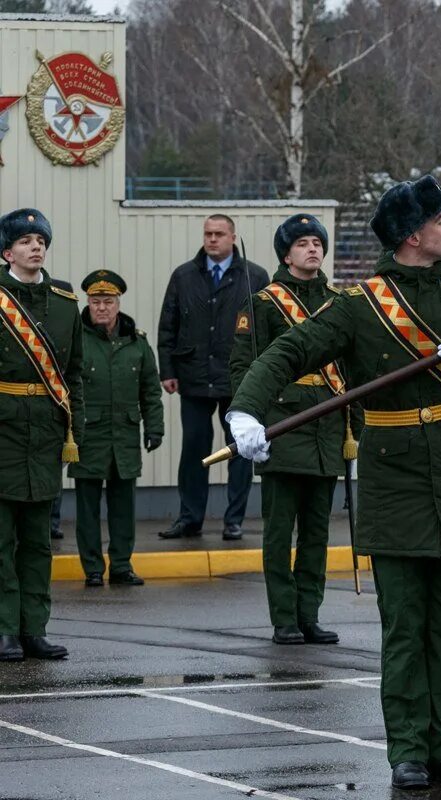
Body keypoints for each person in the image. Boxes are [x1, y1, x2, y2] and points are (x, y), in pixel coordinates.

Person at [225, 175, 441, 789]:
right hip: (394, 476)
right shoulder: (360, 305)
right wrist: (246, 410)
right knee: (404, 628)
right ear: (414, 235)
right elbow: (286, 353)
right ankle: (407, 749)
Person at [229, 214, 352, 645]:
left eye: (318, 242)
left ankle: (309, 614)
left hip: (327, 427)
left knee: (317, 533)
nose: (313, 249)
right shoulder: (263, 302)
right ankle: (284, 617)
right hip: (282, 425)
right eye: (302, 243)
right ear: (287, 253)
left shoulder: (340, 301)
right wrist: (248, 420)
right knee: (280, 533)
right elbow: (244, 367)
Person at [0, 209, 83, 662]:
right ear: (7, 251)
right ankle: (4, 628)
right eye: (26, 240)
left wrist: (77, 433)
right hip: (5, 429)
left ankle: (35, 628)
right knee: (0, 541)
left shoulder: (65, 303)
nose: (36, 246)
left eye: (41, 240)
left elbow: (73, 377)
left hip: (46, 435)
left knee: (37, 542)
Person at [157, 214, 268, 541]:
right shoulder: (184, 275)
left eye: (219, 234)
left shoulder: (255, 276)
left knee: (240, 449)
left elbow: (265, 329)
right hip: (192, 376)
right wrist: (168, 371)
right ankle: (189, 519)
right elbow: (168, 325)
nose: (212, 239)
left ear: (233, 237)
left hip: (237, 378)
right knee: (193, 448)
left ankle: (234, 520)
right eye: (208, 233)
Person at [70, 270, 164, 587]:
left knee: (123, 508)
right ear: (88, 302)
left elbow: (151, 390)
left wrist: (155, 428)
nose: (101, 308)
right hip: (88, 436)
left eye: (108, 301)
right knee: (87, 509)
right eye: (95, 301)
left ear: (118, 303)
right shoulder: (76, 340)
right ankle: (93, 569)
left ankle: (121, 565)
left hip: (124, 437)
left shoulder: (136, 343)